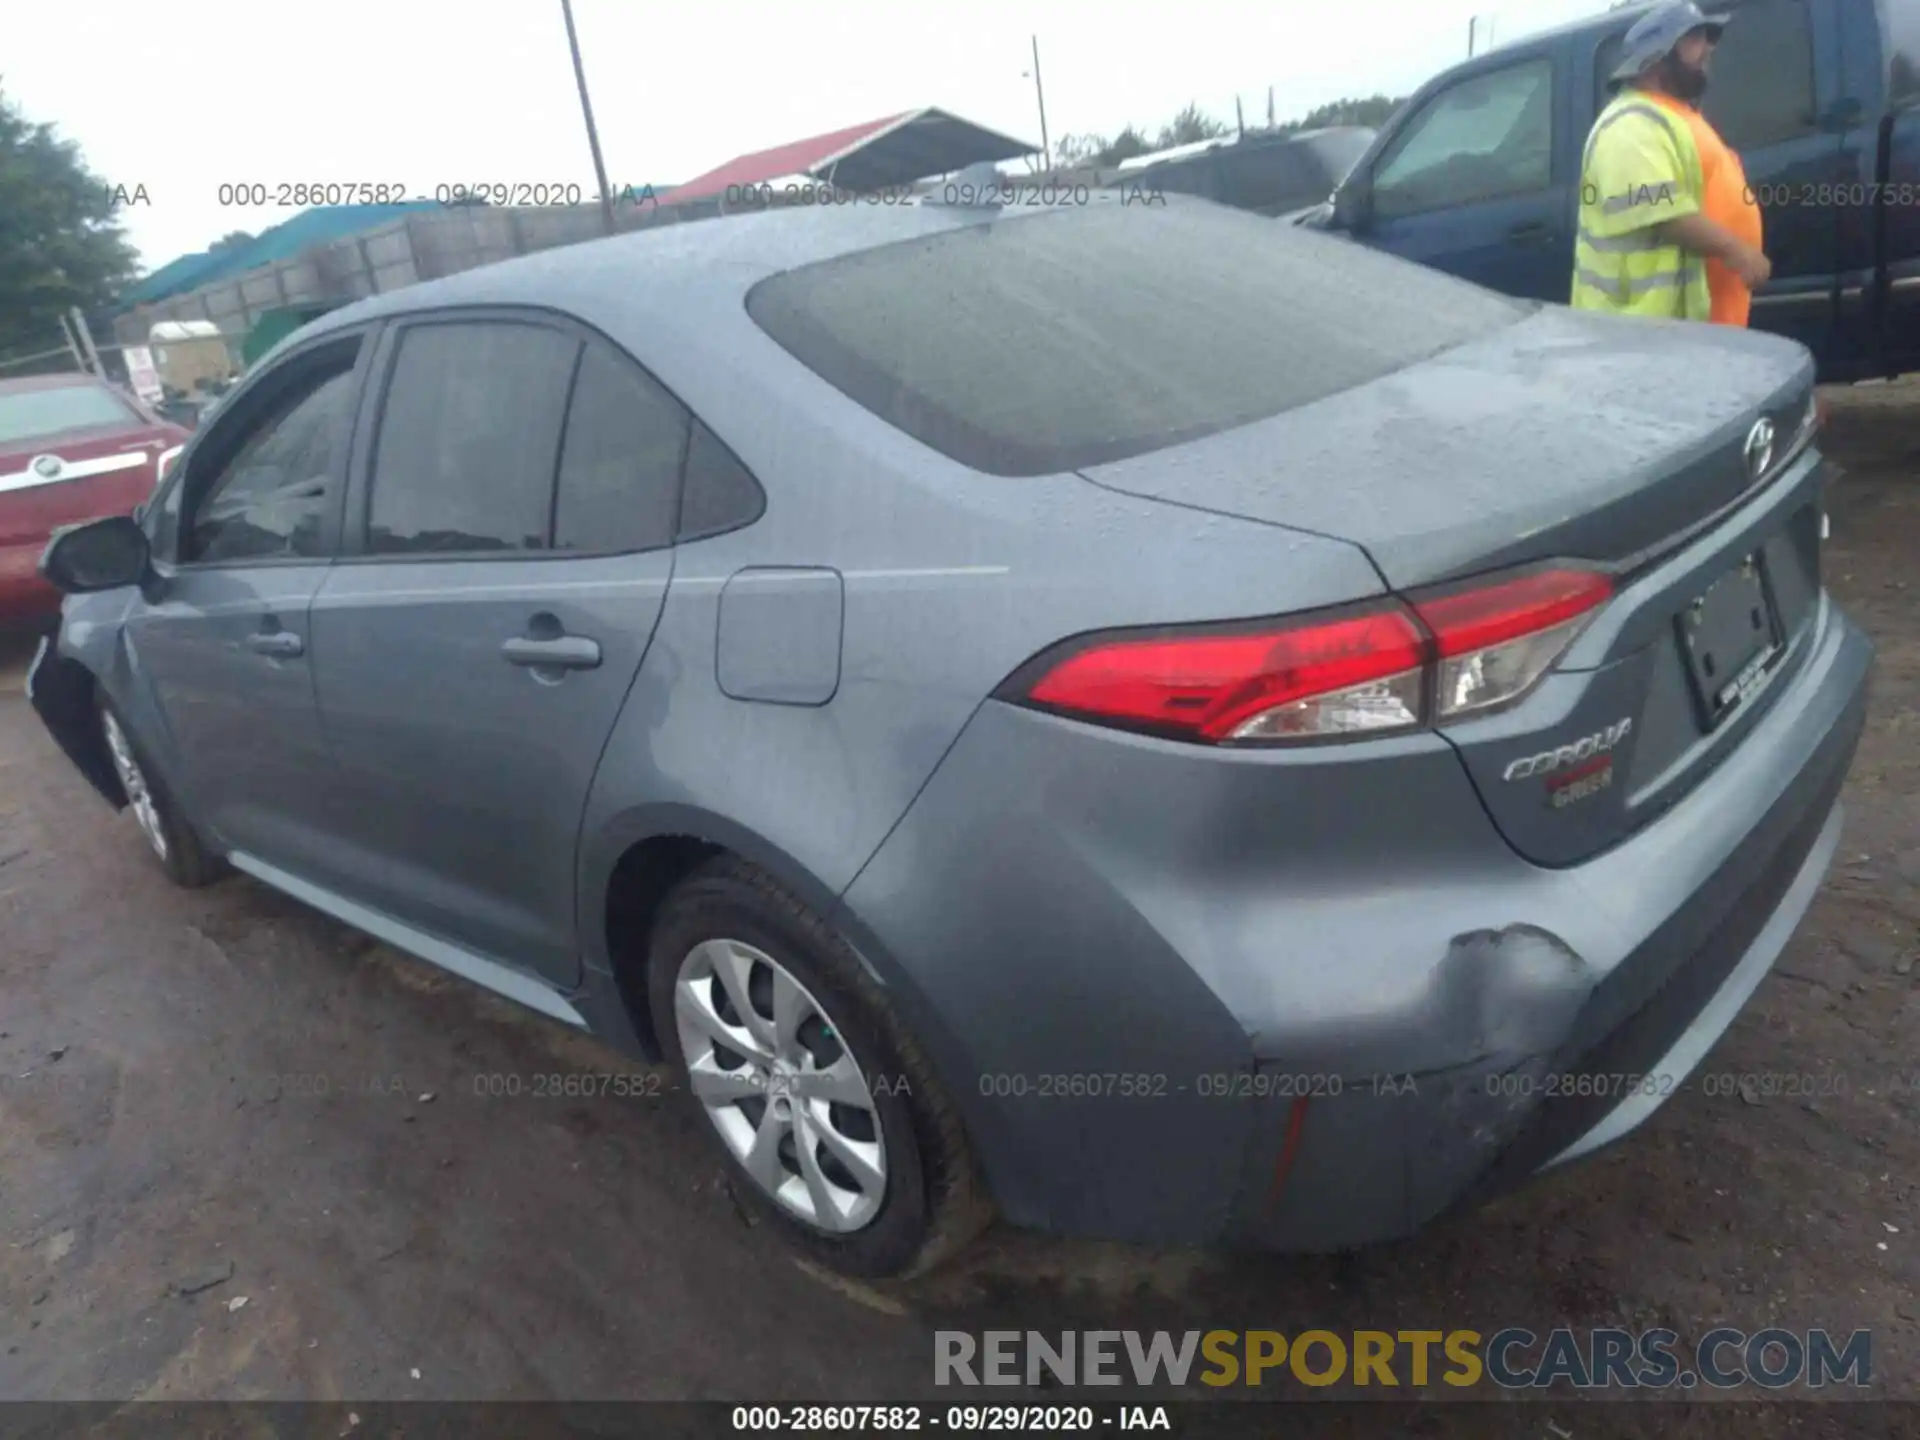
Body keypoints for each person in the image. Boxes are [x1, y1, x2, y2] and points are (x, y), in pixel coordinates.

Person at [1572, 1, 1770, 327]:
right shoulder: (1629, 126)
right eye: (1693, 39)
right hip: (1642, 334)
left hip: (1681, 330)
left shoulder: (1674, 116)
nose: (1707, 50)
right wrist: (1738, 251)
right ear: (1655, 60)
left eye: (1707, 38)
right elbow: (1663, 214)